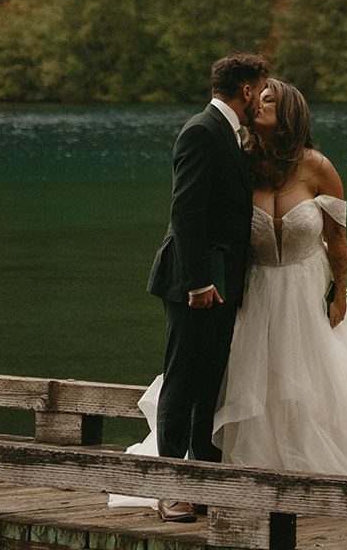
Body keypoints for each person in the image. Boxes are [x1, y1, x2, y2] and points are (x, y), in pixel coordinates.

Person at [213, 77, 347, 482]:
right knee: (256, 381)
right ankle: (255, 471)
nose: (257, 103)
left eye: (268, 99)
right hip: (255, 290)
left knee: (314, 382)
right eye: (255, 98)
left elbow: (337, 237)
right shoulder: (240, 162)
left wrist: (340, 293)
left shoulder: (318, 167)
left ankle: (317, 470)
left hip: (308, 290)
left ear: (289, 111)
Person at [144, 51, 268, 523]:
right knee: (182, 380)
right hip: (194, 283)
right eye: (262, 88)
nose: (262, 97)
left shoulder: (231, 135)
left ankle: (205, 480)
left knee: (210, 383)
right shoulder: (201, 131)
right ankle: (169, 487)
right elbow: (185, 212)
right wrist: (198, 281)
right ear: (248, 90)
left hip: (223, 282)